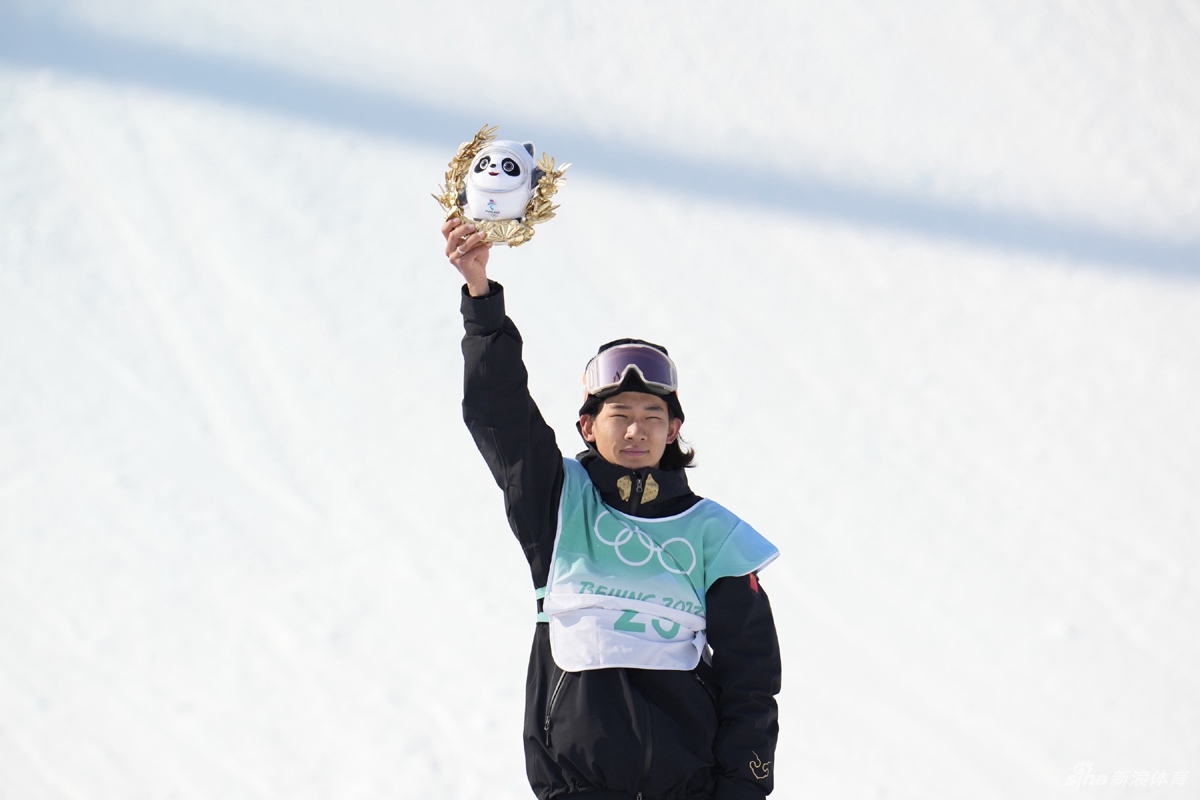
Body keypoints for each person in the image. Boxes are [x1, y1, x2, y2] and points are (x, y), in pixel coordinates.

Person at [443, 219, 782, 800]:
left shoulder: (715, 536)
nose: (636, 429)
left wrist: (742, 791)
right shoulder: (558, 503)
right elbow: (499, 412)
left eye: (652, 417)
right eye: (619, 414)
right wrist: (481, 298)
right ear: (587, 426)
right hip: (578, 786)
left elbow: (750, 679)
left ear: (674, 430)